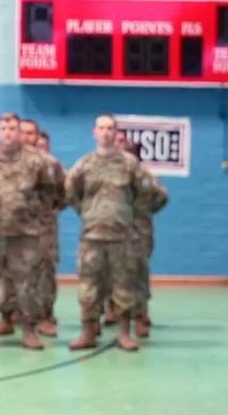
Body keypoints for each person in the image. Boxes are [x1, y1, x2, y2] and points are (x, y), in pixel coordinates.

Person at [0, 112, 57, 350]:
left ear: (19, 131)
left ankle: (29, 330)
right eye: (3, 128)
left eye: (13, 128)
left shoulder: (36, 160)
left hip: (24, 234)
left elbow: (51, 190)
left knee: (27, 284)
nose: (8, 132)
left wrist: (34, 212)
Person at [65, 114, 149, 351]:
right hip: (92, 237)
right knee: (89, 286)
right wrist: (87, 212)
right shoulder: (84, 164)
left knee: (123, 285)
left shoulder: (129, 164)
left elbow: (145, 193)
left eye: (110, 128)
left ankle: (124, 332)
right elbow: (70, 191)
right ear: (94, 132)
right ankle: (88, 332)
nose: (106, 132)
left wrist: (129, 214)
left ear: (116, 133)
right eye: (101, 128)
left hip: (121, 237)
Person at [0, 119, 65, 337]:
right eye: (23, 132)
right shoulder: (6, 161)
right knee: (9, 273)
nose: (26, 137)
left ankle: (45, 317)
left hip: (42, 229)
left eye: (31, 133)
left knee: (44, 272)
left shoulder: (49, 163)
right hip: (12, 228)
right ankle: (7, 317)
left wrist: (46, 213)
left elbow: (65, 193)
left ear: (37, 136)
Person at [124, 140, 168, 338]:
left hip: (141, 232)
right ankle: (115, 312)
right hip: (119, 232)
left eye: (133, 153)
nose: (130, 156)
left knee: (139, 275)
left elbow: (162, 196)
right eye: (127, 152)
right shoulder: (117, 175)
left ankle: (141, 316)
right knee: (116, 274)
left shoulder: (146, 176)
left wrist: (146, 212)